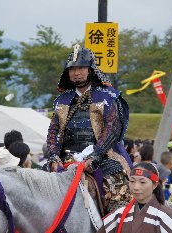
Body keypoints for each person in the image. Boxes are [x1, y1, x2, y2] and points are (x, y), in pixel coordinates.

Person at [46, 44, 132, 214]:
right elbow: (53, 131)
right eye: (72, 69)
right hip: (65, 157)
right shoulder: (62, 100)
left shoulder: (108, 96)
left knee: (116, 187)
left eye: (81, 68)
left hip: (104, 155)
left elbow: (111, 130)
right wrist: (54, 156)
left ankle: (117, 225)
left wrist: (95, 156)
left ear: (90, 69)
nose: (76, 72)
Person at [103, 162, 172, 233]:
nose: (136, 187)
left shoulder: (166, 218)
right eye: (132, 181)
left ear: (154, 185)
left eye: (142, 182)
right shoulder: (119, 214)